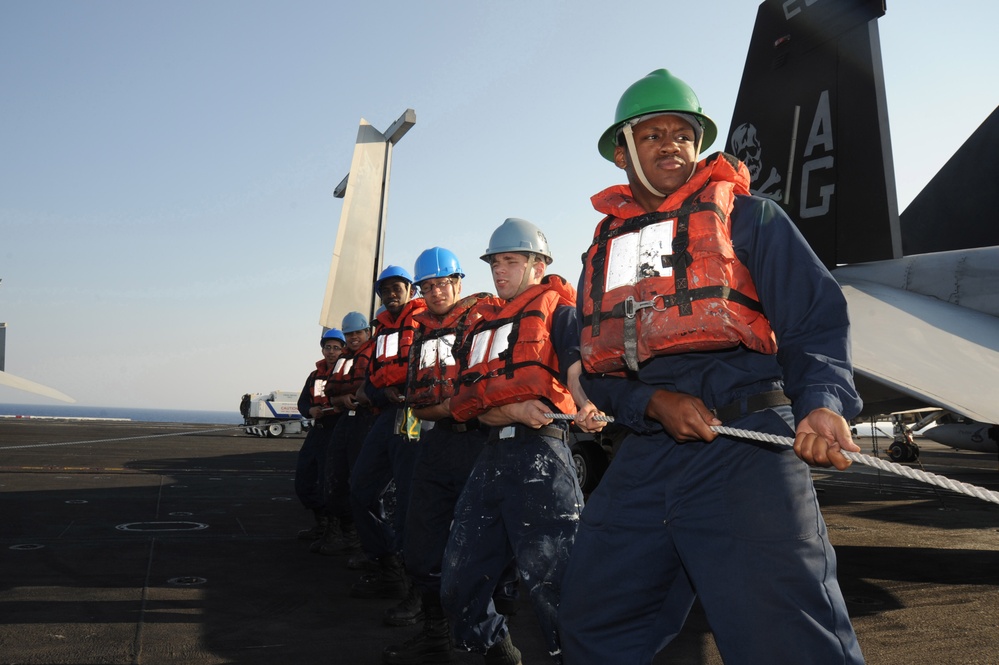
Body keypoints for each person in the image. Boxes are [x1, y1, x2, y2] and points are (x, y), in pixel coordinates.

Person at [558, 69, 865, 664]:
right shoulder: (603, 256)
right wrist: (650, 403)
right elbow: (596, 368)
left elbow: (814, 321)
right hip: (646, 453)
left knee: (785, 639)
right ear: (622, 152)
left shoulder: (752, 218)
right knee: (593, 619)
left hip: (747, 446)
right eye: (652, 135)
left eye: (683, 134)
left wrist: (823, 402)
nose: (671, 145)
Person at [440, 219, 604, 665]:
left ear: (538, 265)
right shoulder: (484, 330)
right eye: (494, 263)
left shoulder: (559, 313)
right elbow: (473, 406)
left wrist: (586, 405)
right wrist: (513, 410)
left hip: (543, 458)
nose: (499, 270)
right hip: (491, 456)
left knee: (558, 586)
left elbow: (575, 371)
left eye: (510, 261)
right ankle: (499, 652)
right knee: (457, 583)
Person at [382, 247, 511, 663]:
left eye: (443, 283)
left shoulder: (487, 317)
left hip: (481, 442)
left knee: (483, 548)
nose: (436, 292)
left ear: (458, 282)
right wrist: (446, 408)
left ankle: (498, 644)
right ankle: (435, 633)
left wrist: (453, 407)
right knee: (421, 542)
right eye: (428, 286)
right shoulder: (421, 332)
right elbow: (419, 403)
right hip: (437, 444)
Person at [349, 265, 426, 601]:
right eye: (385, 290)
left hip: (417, 416)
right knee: (360, 489)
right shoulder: (380, 332)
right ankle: (387, 564)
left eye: (398, 288)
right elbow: (368, 384)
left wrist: (405, 393)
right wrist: (383, 393)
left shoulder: (425, 322)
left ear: (410, 290)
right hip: (386, 415)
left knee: (411, 499)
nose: (392, 294)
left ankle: (416, 589)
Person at [312, 311, 376, 557]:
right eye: (349, 334)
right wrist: (342, 398)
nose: (353, 337)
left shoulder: (376, 354)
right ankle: (346, 533)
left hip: (369, 420)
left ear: (367, 332)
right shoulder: (344, 359)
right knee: (334, 478)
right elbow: (330, 393)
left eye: (358, 332)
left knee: (361, 481)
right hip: (346, 421)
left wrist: (354, 396)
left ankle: (365, 542)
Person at [294, 328, 346, 541]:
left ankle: (333, 529)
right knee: (304, 479)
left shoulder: (348, 373)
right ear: (322, 349)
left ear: (343, 350)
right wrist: (310, 410)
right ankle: (321, 522)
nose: (331, 351)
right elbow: (302, 402)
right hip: (318, 431)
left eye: (336, 348)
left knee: (330, 481)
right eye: (328, 347)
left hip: (338, 430)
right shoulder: (314, 376)